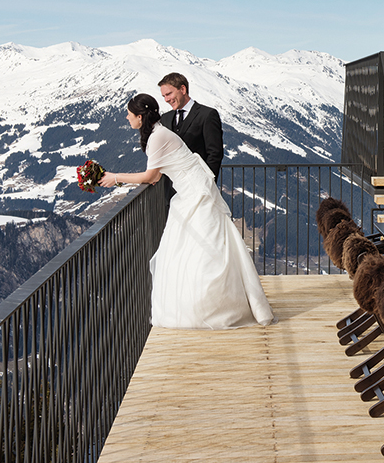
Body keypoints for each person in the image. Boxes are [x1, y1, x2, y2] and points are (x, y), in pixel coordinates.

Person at [101, 93, 275, 329]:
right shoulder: (158, 132)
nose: (127, 117)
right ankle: (208, 303)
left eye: (129, 114)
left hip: (195, 193)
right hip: (191, 190)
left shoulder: (157, 136)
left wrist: (116, 178)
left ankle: (211, 308)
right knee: (204, 249)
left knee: (206, 250)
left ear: (140, 117)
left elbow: (152, 176)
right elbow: (159, 173)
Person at [158, 72, 223, 180]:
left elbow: (215, 153)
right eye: (164, 96)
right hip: (171, 189)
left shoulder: (207, 114)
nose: (166, 100)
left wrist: (207, 182)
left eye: (169, 94)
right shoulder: (165, 118)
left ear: (183, 89)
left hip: (199, 185)